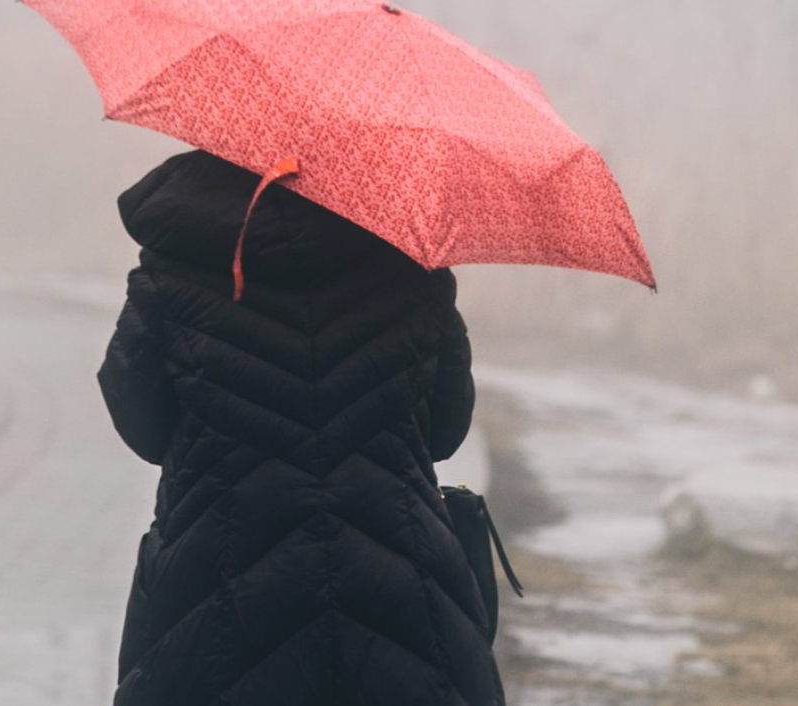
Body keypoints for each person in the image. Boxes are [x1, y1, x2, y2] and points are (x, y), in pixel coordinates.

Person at [99, 149, 504, 706]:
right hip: (392, 585)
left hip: (216, 580)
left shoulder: (174, 261)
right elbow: (446, 433)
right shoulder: (413, 264)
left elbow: (141, 423)